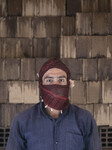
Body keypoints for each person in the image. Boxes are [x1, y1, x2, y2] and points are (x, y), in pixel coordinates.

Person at [6, 58, 102, 150]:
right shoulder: (22, 121)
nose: (55, 85)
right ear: (41, 84)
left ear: (68, 84)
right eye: (49, 80)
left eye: (61, 80)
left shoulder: (85, 119)